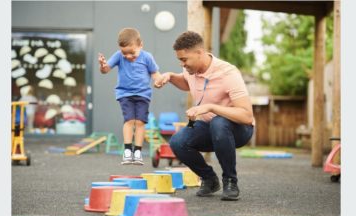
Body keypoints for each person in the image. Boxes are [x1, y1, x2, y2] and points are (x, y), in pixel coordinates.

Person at [156, 31, 254, 201]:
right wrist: (170, 77)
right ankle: (209, 179)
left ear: (199, 53)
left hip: (239, 129)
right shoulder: (191, 70)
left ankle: (230, 181)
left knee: (218, 122)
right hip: (211, 127)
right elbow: (186, 82)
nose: (182, 64)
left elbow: (246, 116)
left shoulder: (228, 73)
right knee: (177, 142)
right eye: (180, 60)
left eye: (184, 60)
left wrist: (210, 107)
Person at [98, 28, 162, 165]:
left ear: (141, 45)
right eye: (124, 53)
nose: (128, 56)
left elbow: (155, 73)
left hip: (143, 94)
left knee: (140, 122)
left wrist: (159, 81)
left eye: (132, 52)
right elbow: (106, 70)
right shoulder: (118, 56)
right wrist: (102, 66)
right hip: (125, 93)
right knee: (129, 120)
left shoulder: (147, 57)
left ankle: (137, 151)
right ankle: (127, 151)